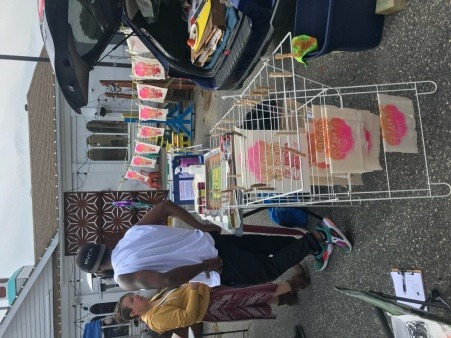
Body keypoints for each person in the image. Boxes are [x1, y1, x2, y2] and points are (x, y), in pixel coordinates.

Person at [76, 200, 351, 291]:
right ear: (102, 246)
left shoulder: (124, 278)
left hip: (215, 265)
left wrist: (205, 266)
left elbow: (168, 279)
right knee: (263, 246)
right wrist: (200, 226)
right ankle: (314, 246)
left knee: (268, 269)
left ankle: (319, 236)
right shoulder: (131, 235)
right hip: (211, 240)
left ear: (100, 271)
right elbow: (165, 206)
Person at [113, 265, 310, 335]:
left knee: (251, 300)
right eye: (132, 301)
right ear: (133, 313)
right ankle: (296, 282)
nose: (136, 296)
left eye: (132, 295)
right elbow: (188, 318)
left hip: (209, 297)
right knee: (253, 292)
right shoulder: (155, 320)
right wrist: (192, 288)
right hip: (210, 306)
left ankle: (286, 298)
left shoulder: (152, 301)